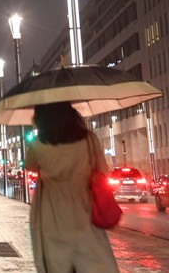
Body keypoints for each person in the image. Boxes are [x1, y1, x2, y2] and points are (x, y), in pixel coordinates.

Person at [25, 102, 119, 272]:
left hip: (51, 212)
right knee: (92, 260)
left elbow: (30, 166)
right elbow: (103, 171)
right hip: (85, 207)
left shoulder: (37, 144)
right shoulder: (89, 139)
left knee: (57, 263)